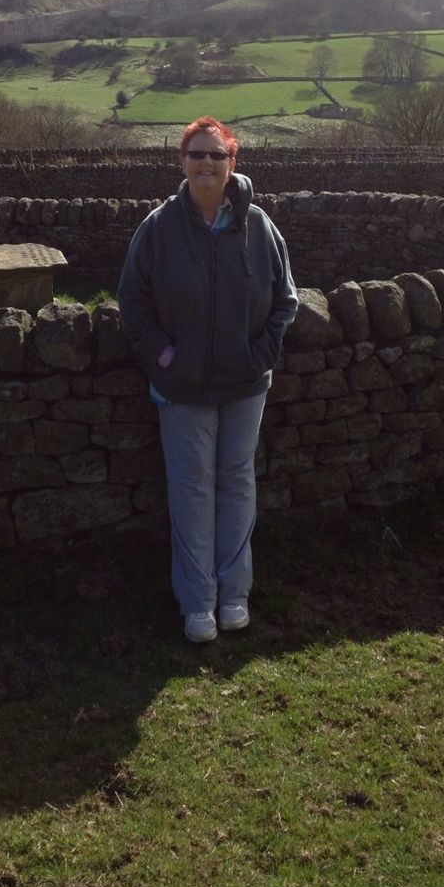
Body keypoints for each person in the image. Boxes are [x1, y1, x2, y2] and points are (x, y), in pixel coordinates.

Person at [117, 116, 298, 643]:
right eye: (197, 154)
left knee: (237, 485)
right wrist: (165, 357)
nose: (206, 164)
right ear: (182, 162)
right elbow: (132, 300)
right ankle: (198, 603)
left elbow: (285, 299)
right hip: (183, 388)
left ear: (232, 163)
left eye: (216, 155)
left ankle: (235, 594)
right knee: (192, 490)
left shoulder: (260, 226)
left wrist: (258, 354)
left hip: (245, 387)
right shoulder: (159, 227)